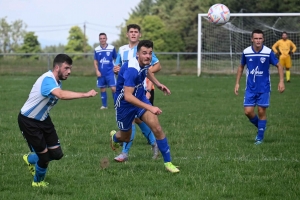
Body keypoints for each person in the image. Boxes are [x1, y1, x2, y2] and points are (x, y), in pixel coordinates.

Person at [19, 54, 98, 187]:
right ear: (57, 67)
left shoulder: (57, 82)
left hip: (44, 120)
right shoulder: (48, 80)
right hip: (29, 121)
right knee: (44, 158)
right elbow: (61, 95)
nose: (69, 72)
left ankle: (30, 158)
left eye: (70, 68)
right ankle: (37, 183)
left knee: (56, 154)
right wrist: (85, 94)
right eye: (66, 68)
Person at [110, 40, 179, 173]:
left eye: (150, 53)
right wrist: (150, 107)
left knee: (157, 128)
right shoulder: (131, 70)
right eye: (144, 53)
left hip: (140, 96)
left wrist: (158, 85)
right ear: (137, 54)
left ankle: (168, 163)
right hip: (124, 104)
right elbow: (128, 96)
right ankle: (114, 137)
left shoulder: (144, 63)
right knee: (125, 137)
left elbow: (147, 71)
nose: (148, 56)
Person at [112, 24, 161, 162]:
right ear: (127, 34)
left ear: (140, 34)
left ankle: (125, 153)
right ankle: (152, 143)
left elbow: (155, 65)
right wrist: (117, 70)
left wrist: (150, 84)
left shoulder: (144, 50)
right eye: (131, 32)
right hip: (126, 91)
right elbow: (117, 67)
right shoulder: (121, 50)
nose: (133, 34)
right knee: (136, 120)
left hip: (142, 91)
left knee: (138, 119)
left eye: (136, 32)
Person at [234, 29, 285, 145]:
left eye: (260, 38)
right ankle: (261, 127)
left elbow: (279, 65)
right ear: (252, 39)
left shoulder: (268, 52)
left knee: (261, 111)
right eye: (256, 38)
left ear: (263, 39)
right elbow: (241, 67)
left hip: (264, 88)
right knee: (248, 111)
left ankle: (259, 138)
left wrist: (281, 81)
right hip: (250, 88)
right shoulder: (246, 52)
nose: (258, 40)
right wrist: (237, 83)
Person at [94, 33, 117, 109]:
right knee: (102, 88)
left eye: (104, 38)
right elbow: (95, 61)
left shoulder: (112, 48)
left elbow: (116, 59)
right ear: (99, 39)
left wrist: (116, 68)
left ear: (106, 39)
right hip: (101, 72)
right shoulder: (97, 49)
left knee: (113, 88)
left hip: (110, 72)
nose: (102, 40)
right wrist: (97, 70)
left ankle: (116, 105)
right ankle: (104, 105)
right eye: (101, 38)